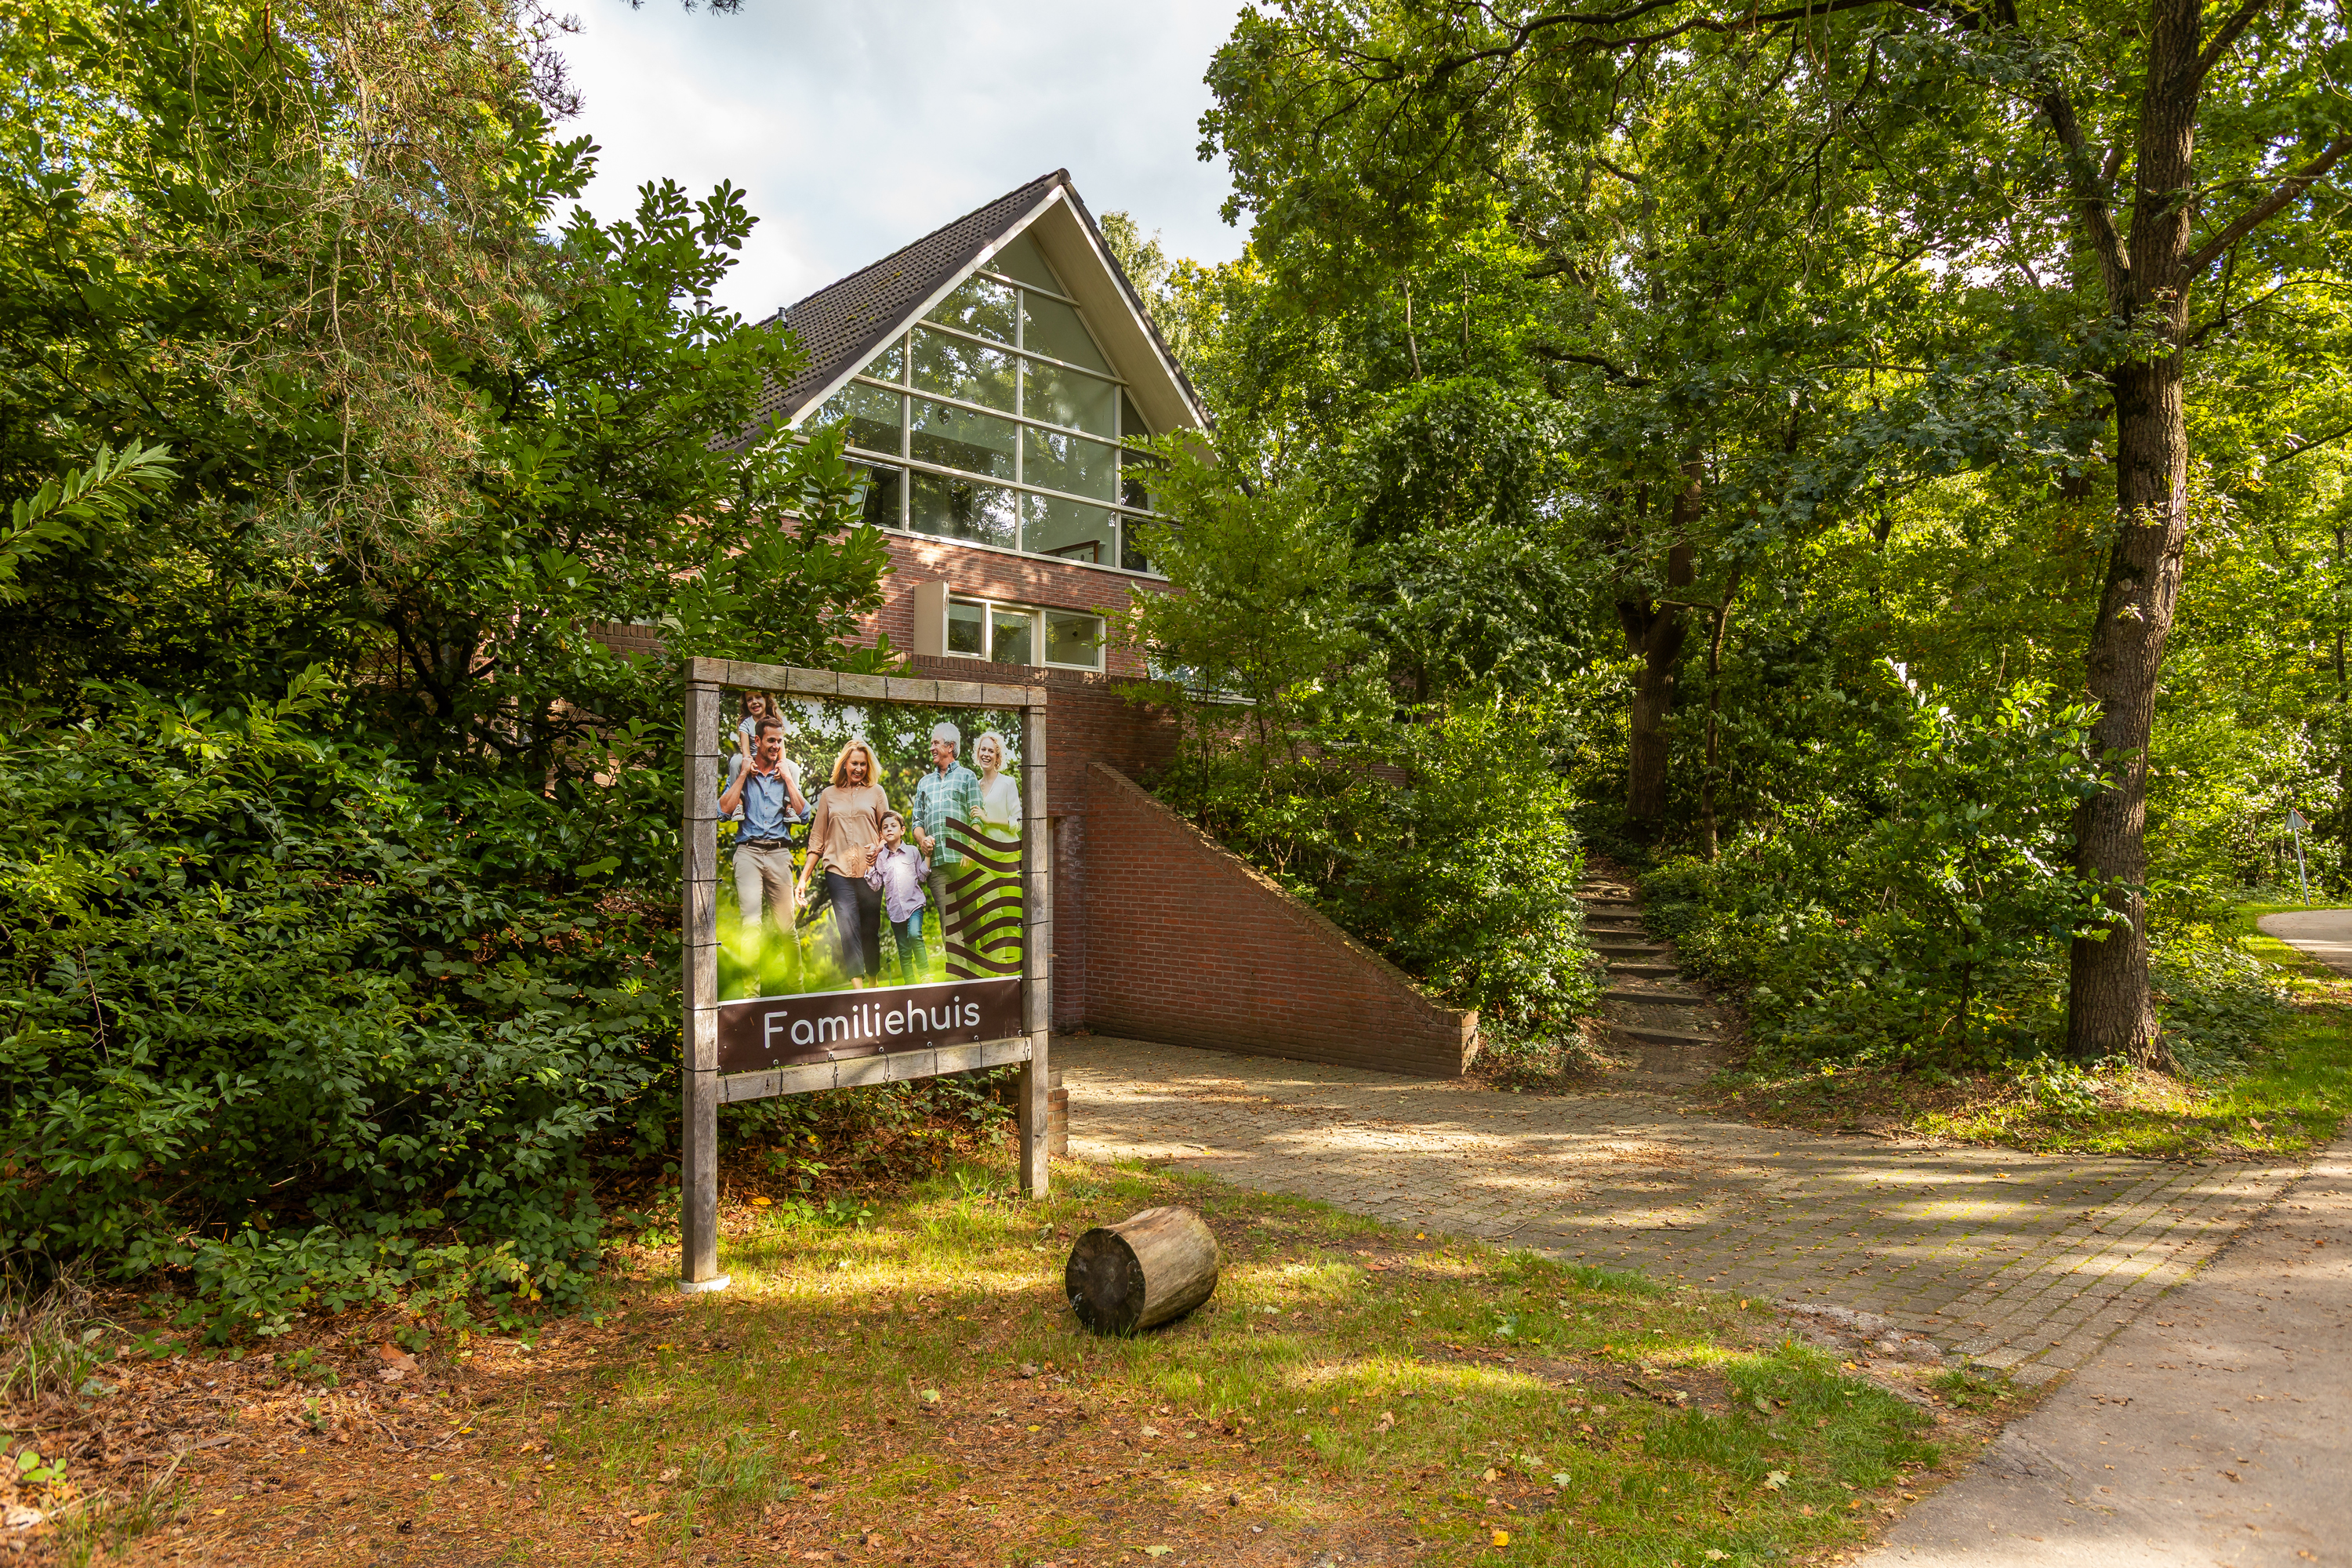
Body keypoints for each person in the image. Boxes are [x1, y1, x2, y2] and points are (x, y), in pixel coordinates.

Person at [716, 717, 808, 977]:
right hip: (748, 852)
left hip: (779, 853)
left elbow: (804, 815)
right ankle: (750, 996)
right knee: (751, 924)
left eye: (780, 741)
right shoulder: (742, 770)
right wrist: (744, 773)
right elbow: (722, 811)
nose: (776, 745)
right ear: (757, 741)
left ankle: (796, 989)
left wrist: (789, 779)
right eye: (771, 740)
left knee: (786, 927)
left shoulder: (786, 771)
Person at [797, 739, 891, 985]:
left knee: (871, 928)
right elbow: (817, 838)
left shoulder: (876, 792)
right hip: (837, 870)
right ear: (844, 765)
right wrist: (803, 878)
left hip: (871, 871)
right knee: (848, 929)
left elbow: (887, 831)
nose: (858, 769)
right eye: (854, 764)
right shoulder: (828, 795)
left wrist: (879, 847)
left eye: (863, 764)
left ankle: (873, 981)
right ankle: (858, 990)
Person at [909, 720, 981, 940]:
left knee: (971, 924)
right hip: (938, 864)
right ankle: (959, 975)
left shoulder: (967, 776)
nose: (931, 748)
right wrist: (922, 840)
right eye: (931, 743)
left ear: (950, 746)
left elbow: (978, 820)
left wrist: (971, 848)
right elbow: (916, 823)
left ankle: (977, 972)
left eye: (936, 743)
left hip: (964, 862)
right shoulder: (924, 783)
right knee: (950, 924)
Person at [863, 811, 930, 984]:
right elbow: (876, 885)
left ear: (902, 830)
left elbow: (922, 877)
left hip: (914, 905)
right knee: (904, 950)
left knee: (915, 935)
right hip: (895, 912)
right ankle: (910, 984)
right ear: (881, 835)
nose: (889, 829)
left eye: (893, 826)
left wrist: (928, 857)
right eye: (885, 827)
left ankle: (925, 975)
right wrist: (869, 866)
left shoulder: (913, 852)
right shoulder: (880, 859)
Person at [972, 731, 1022, 840]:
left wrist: (988, 821)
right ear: (978, 753)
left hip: (1006, 853)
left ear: (997, 757)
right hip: (981, 854)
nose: (986, 754)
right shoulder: (974, 786)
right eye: (983, 749)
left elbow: (1018, 822)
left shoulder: (1008, 783)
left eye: (991, 751)